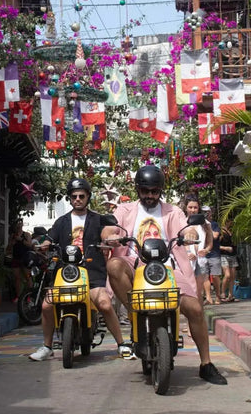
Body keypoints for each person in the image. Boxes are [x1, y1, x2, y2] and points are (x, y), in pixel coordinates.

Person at [102, 165, 227, 385]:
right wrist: (110, 236)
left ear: (160, 190)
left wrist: (189, 234)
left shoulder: (173, 211)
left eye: (154, 191)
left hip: (168, 267)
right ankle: (134, 312)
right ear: (138, 189)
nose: (150, 196)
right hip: (134, 264)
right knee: (113, 265)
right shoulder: (124, 209)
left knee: (195, 309)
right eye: (145, 191)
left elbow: (185, 228)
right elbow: (110, 228)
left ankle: (206, 364)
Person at [29, 178, 132, 361]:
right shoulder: (61, 221)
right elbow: (50, 238)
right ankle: (47, 346)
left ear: (88, 197)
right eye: (74, 196)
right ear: (69, 198)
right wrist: (44, 244)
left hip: (92, 271)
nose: (78, 199)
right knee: (46, 305)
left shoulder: (98, 219)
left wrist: (110, 238)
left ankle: (121, 344)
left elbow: (107, 232)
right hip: (66, 273)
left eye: (81, 196)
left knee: (105, 305)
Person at [182, 197, 219, 305]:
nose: (193, 210)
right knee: (188, 289)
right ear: (186, 208)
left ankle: (199, 313)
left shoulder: (205, 223)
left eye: (195, 207)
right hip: (186, 261)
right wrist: (188, 252)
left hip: (201, 260)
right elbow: (179, 242)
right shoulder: (181, 222)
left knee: (198, 290)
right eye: (190, 207)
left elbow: (210, 242)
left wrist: (206, 250)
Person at [6, 219, 33, 302]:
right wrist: (12, 243)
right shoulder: (12, 235)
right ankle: (18, 296)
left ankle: (29, 296)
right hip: (16, 258)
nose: (18, 225)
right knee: (17, 278)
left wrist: (20, 240)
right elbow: (8, 248)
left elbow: (30, 245)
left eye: (20, 223)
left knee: (28, 277)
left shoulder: (26, 234)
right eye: (17, 223)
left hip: (25, 258)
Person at [220, 219, 238, 302]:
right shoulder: (221, 231)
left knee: (232, 276)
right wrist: (225, 248)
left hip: (233, 255)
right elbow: (216, 245)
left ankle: (231, 295)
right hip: (224, 255)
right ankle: (222, 294)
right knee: (227, 275)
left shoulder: (233, 230)